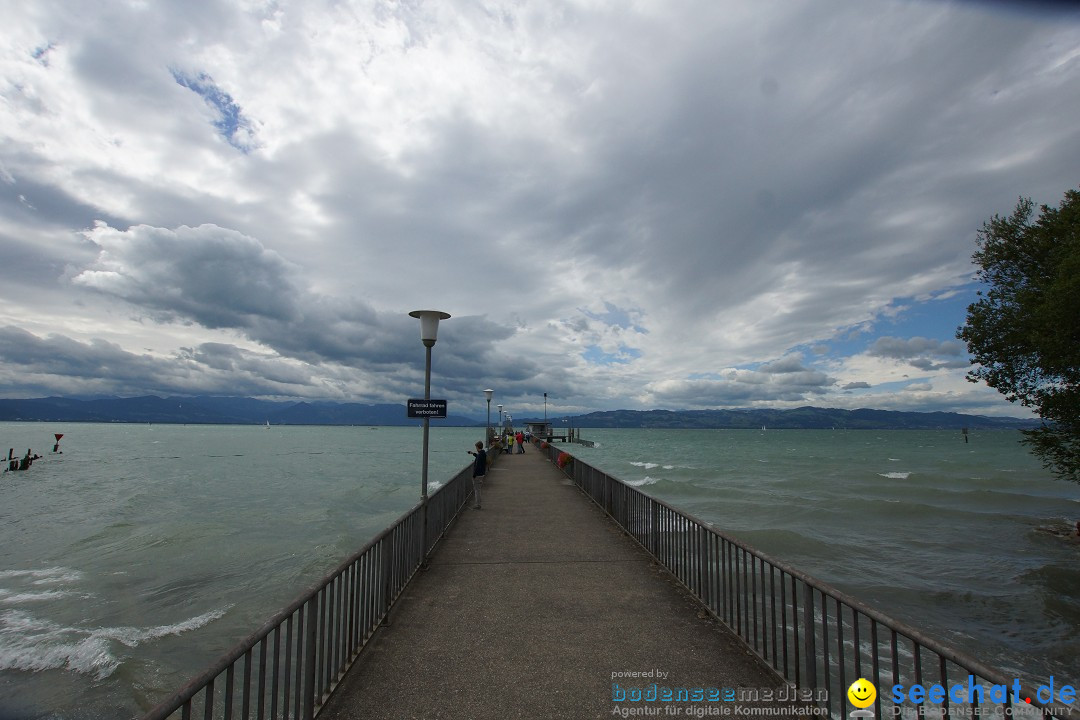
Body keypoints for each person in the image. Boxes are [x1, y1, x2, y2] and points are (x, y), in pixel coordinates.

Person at [467, 441, 487, 509]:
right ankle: (478, 504)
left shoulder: (480, 455)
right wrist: (473, 453)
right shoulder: (483, 453)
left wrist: (474, 475)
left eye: (476, 447)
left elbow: (477, 466)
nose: (476, 448)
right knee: (478, 490)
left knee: (477, 490)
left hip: (478, 475)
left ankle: (478, 505)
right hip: (482, 474)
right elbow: (478, 456)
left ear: (478, 447)